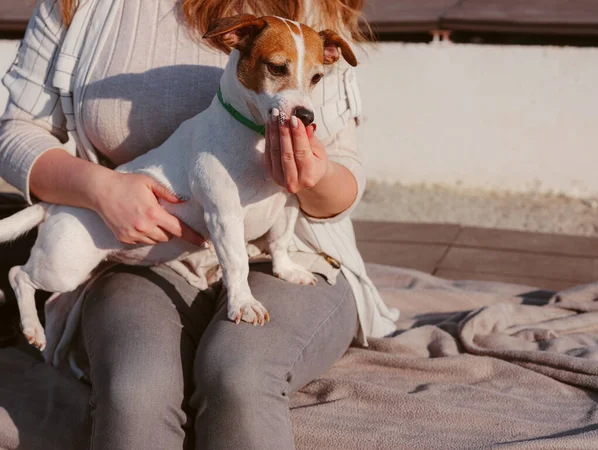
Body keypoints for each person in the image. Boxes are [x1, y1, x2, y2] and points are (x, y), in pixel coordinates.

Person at [0, 0, 398, 448]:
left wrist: (313, 177)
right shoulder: (80, 6)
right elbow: (16, 129)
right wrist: (99, 188)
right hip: (145, 253)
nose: (300, 94)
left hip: (292, 251)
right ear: (234, 43)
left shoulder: (304, 13)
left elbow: (347, 173)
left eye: (311, 80)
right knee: (137, 389)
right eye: (279, 71)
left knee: (239, 377)